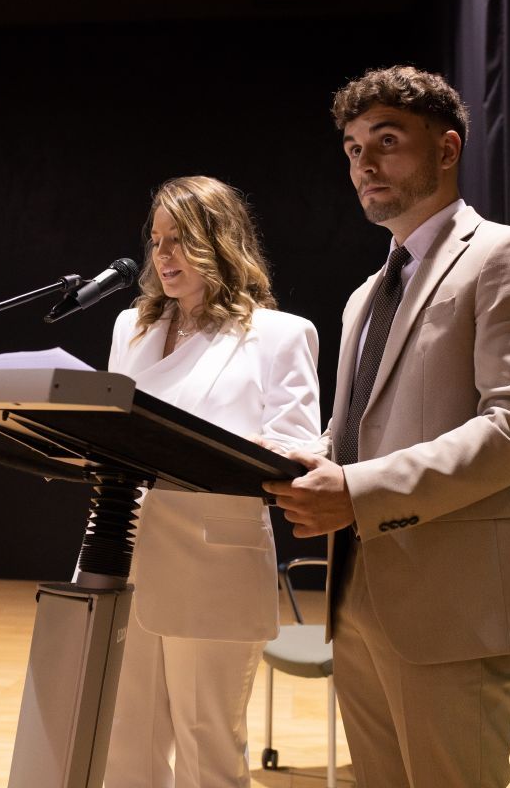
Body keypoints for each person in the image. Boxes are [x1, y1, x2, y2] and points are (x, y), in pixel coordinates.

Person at [263, 66, 510, 787]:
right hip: (357, 596)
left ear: (447, 148)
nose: (364, 164)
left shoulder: (506, 257)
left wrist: (359, 489)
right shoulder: (364, 295)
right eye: (351, 148)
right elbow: (356, 436)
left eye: (388, 141)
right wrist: (300, 458)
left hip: (451, 607)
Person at [102, 175, 322, 788]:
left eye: (180, 240)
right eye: (156, 241)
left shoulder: (278, 334)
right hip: (123, 553)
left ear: (220, 242)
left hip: (212, 565)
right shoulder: (132, 327)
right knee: (123, 744)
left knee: (209, 753)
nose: (163, 256)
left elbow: (299, 445)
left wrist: (224, 452)